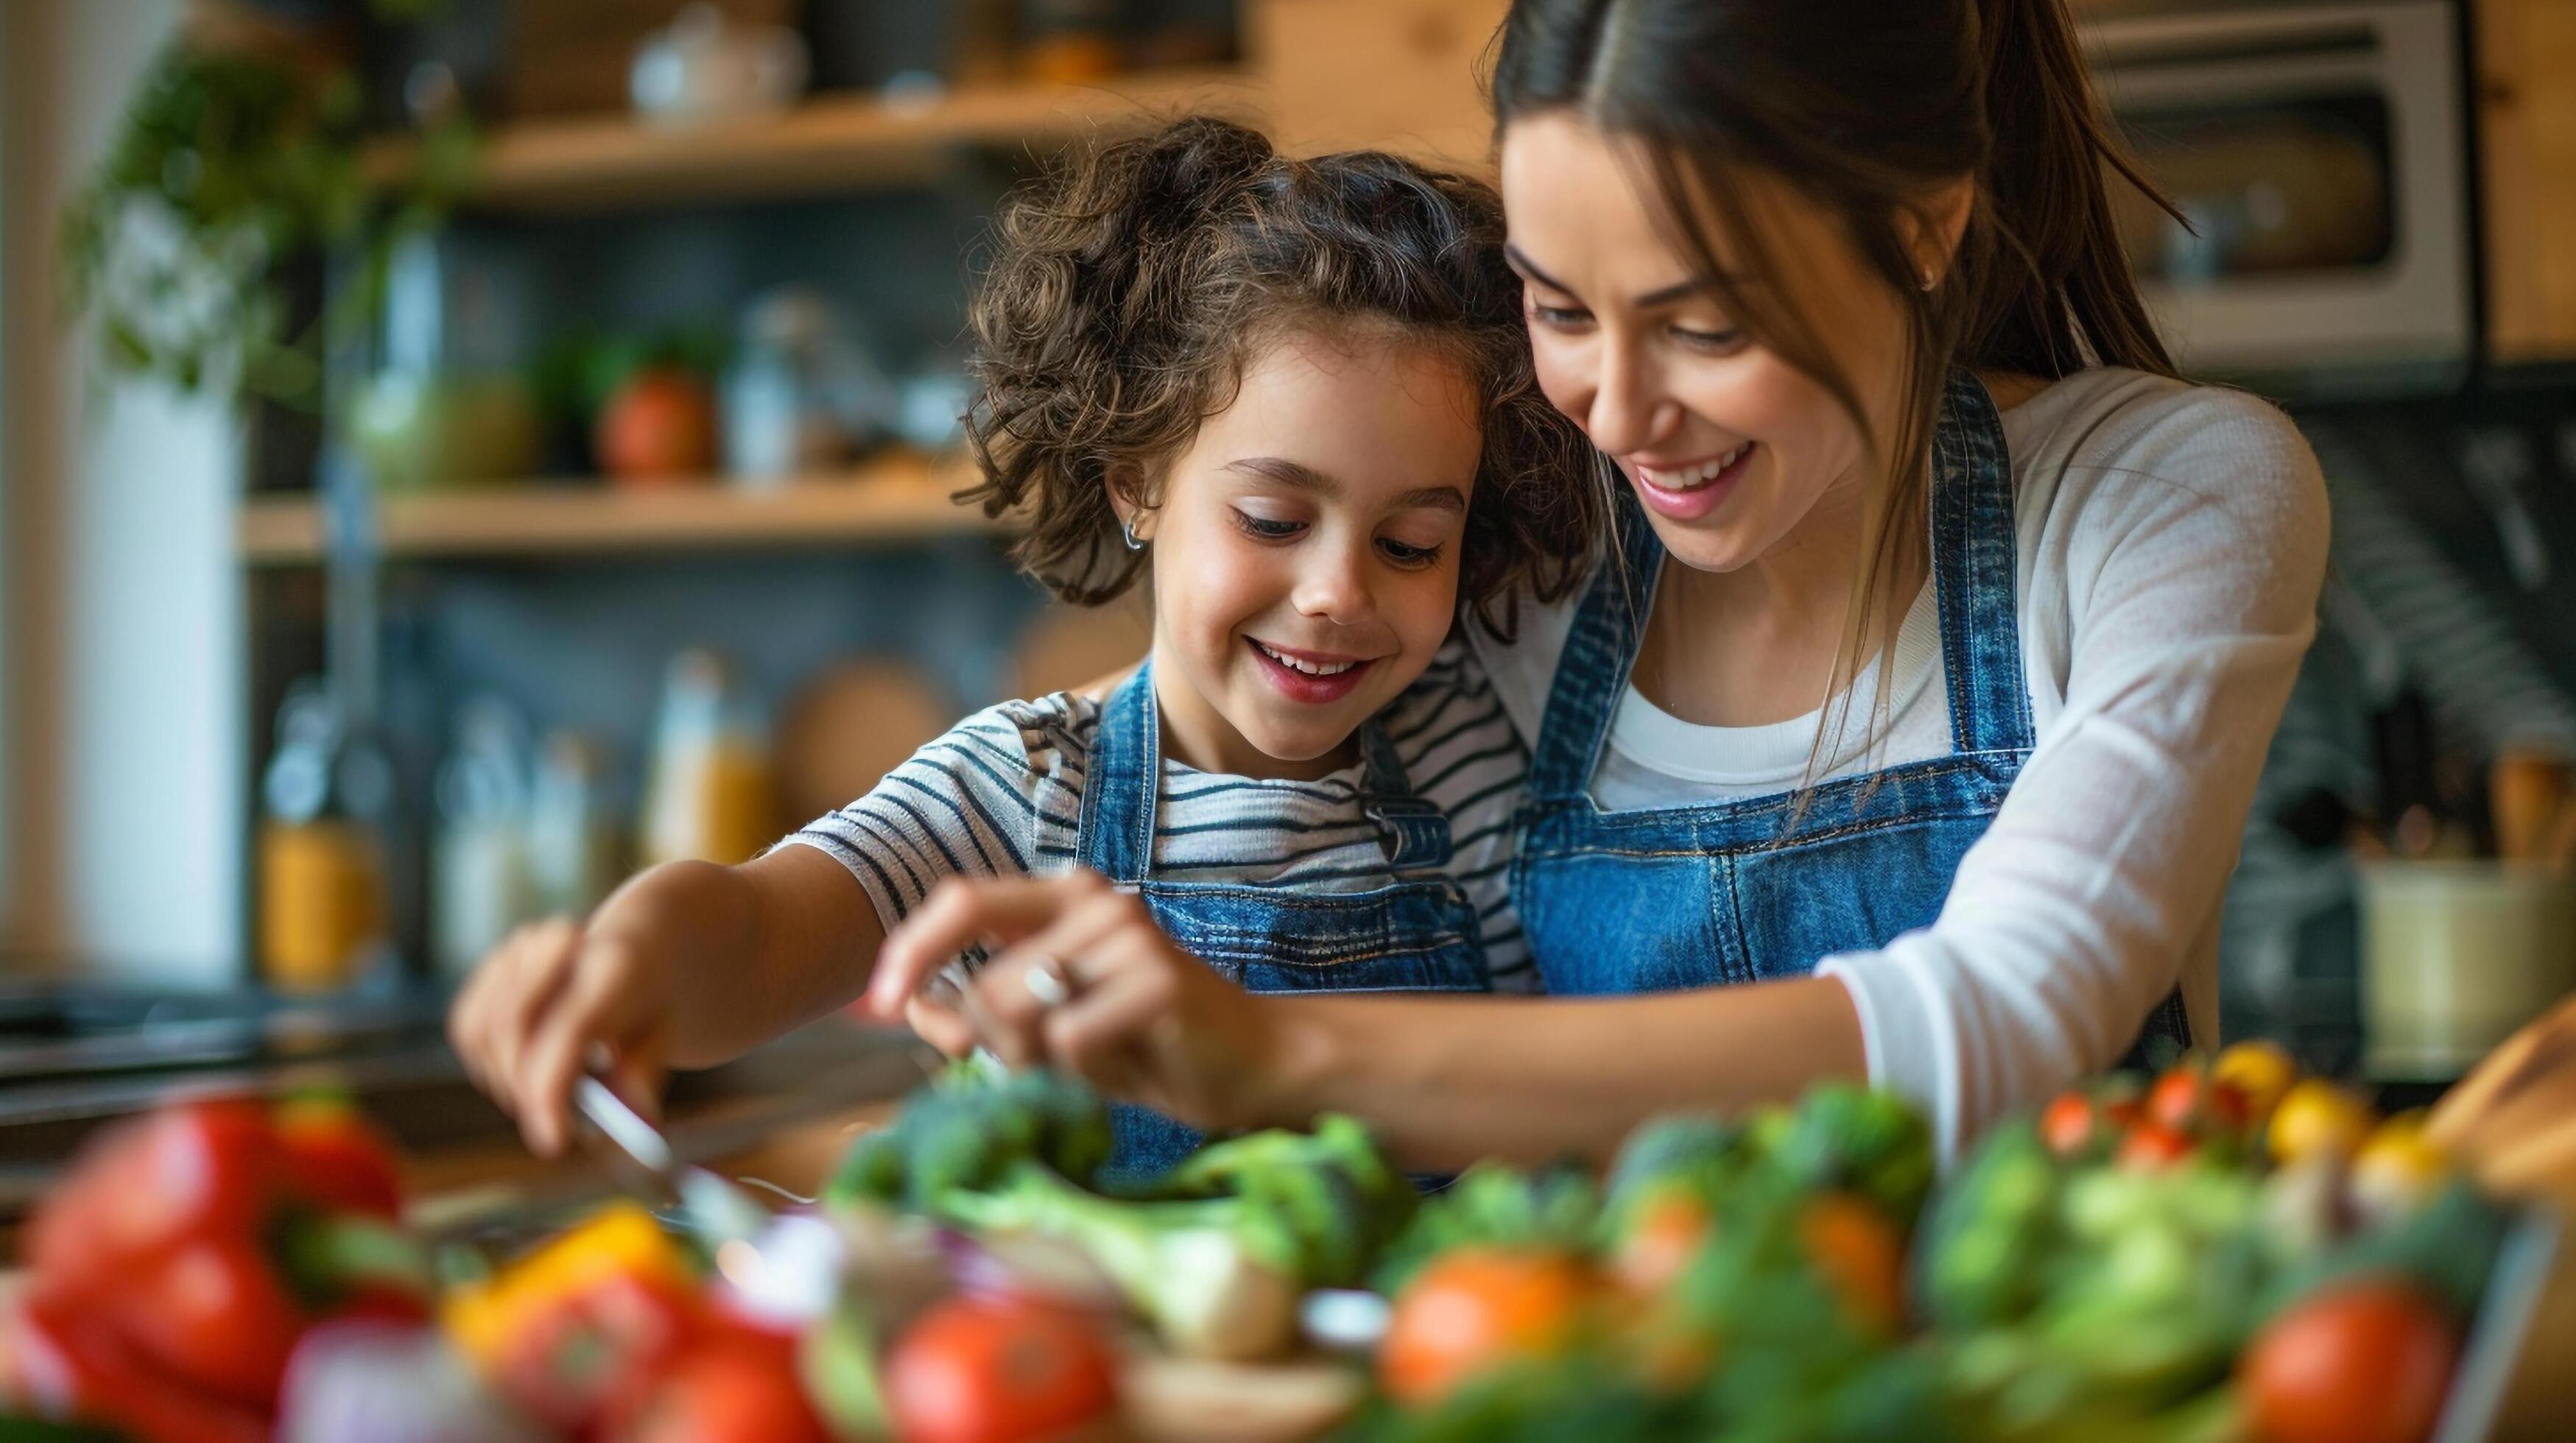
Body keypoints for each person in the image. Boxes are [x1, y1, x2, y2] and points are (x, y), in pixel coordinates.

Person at [862, 0, 2330, 1168]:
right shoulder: (1531, 549)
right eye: (1560, 309)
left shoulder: (2155, 496)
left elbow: (2008, 1012)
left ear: (1922, 225)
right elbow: (1235, 740)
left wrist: (1283, 1054)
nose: (1614, 413)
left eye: (1700, 324)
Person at [445, 117, 1603, 1175]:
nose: (1335, 593)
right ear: (1138, 480)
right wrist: (628, 959)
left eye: (1408, 545)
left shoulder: (1479, 740)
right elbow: (757, 931)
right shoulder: (1023, 787)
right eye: (1273, 522)